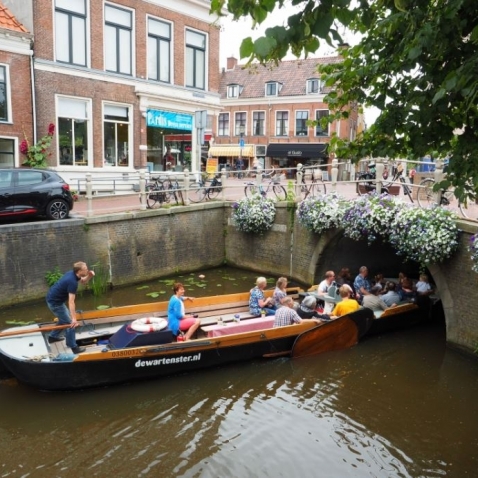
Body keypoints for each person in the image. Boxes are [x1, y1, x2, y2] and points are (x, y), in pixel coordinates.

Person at [46, 261, 95, 354]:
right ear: (79, 271)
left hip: (54, 299)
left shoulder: (73, 273)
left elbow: (83, 281)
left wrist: (90, 275)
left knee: (63, 319)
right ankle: (73, 347)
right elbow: (71, 302)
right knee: (70, 324)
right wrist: (74, 319)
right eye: (85, 269)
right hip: (55, 303)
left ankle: (53, 337)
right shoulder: (72, 282)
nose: (87, 269)